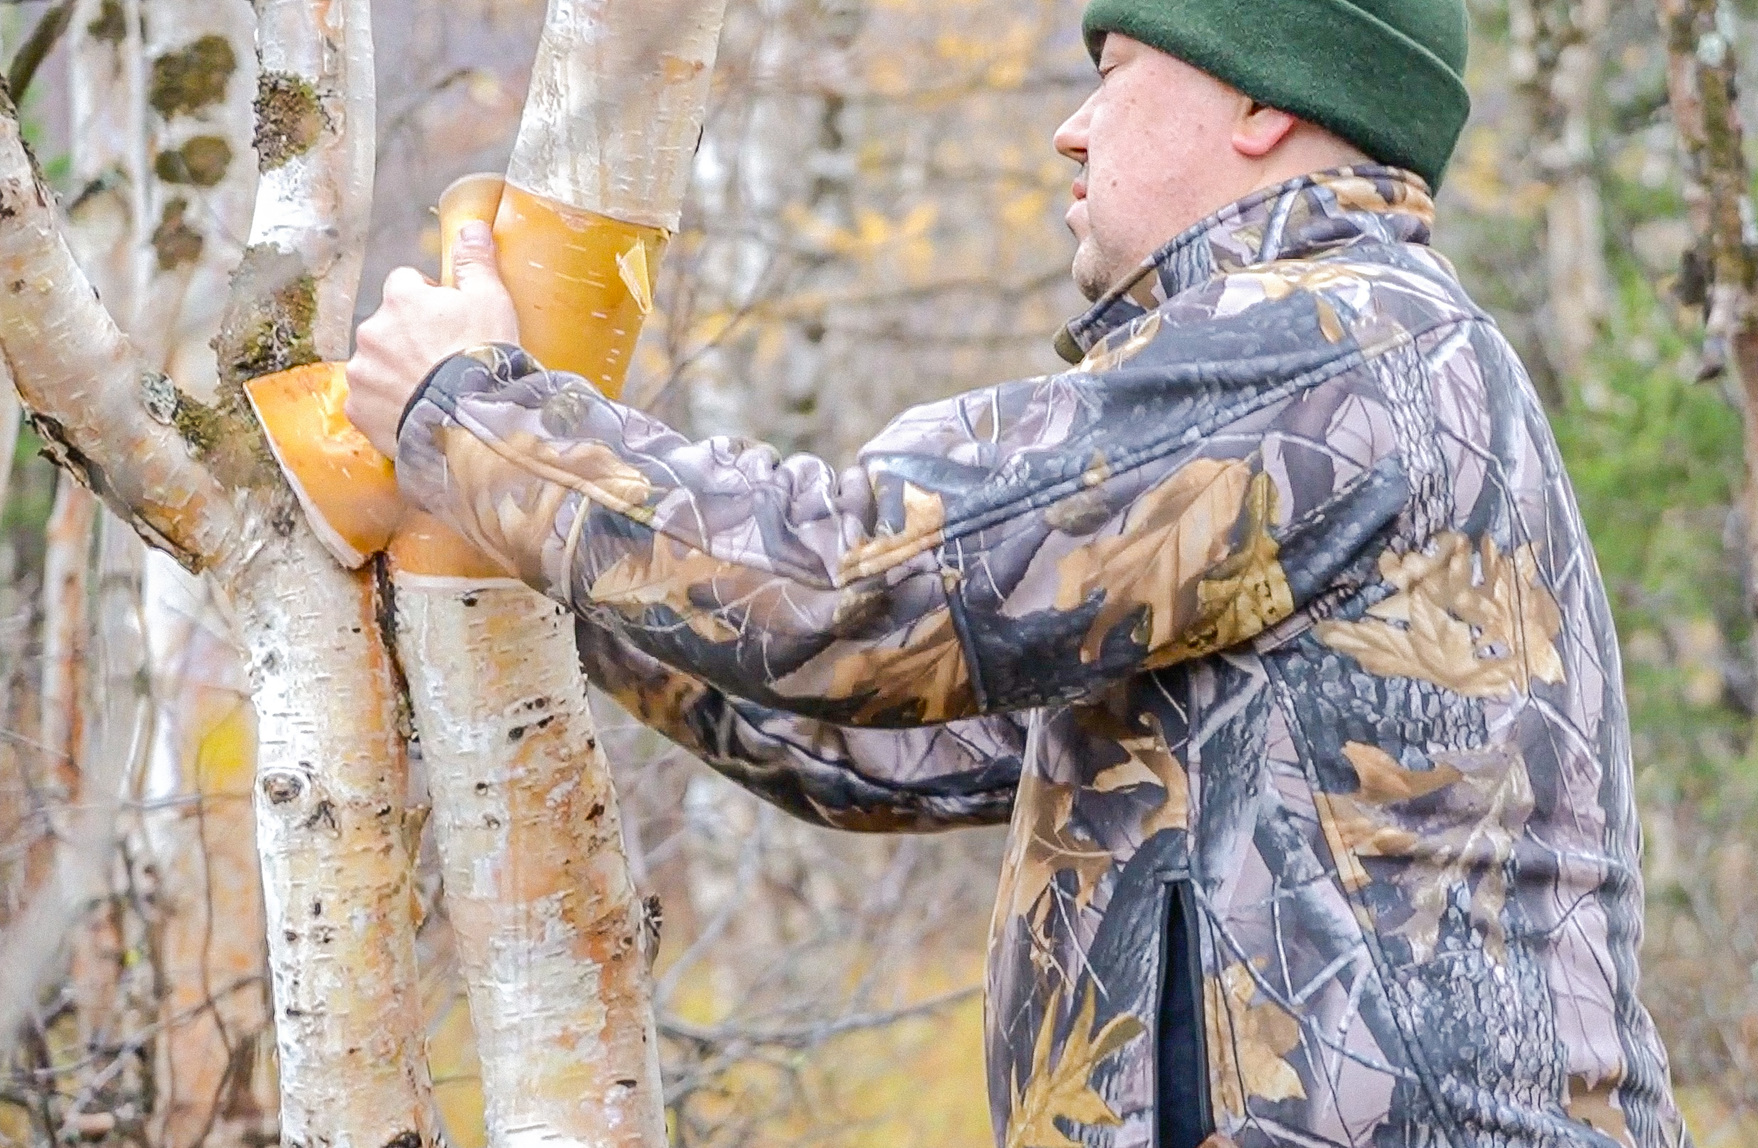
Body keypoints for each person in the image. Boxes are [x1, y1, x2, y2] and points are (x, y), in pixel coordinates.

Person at [345, 1, 1689, 1145]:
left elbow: (855, 592)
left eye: (1113, 79)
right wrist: (540, 558)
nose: (1072, 129)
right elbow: (876, 746)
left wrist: (471, 414)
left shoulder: (1321, 348)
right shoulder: (1332, 377)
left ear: (1262, 107)